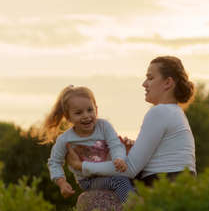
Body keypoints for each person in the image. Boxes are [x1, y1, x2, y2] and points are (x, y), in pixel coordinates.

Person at [67, 56, 196, 186]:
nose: (144, 84)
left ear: (168, 83)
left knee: (108, 185)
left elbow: (130, 169)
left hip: (163, 187)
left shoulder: (159, 112)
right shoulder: (176, 112)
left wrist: (81, 166)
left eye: (150, 78)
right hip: (181, 185)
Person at [40, 85, 135, 203]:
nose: (86, 115)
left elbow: (115, 144)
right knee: (119, 181)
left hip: (108, 171)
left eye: (90, 110)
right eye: (78, 113)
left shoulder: (104, 126)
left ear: (96, 109)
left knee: (133, 177)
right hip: (88, 180)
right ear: (68, 117)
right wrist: (62, 182)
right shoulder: (65, 139)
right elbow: (54, 162)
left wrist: (118, 158)